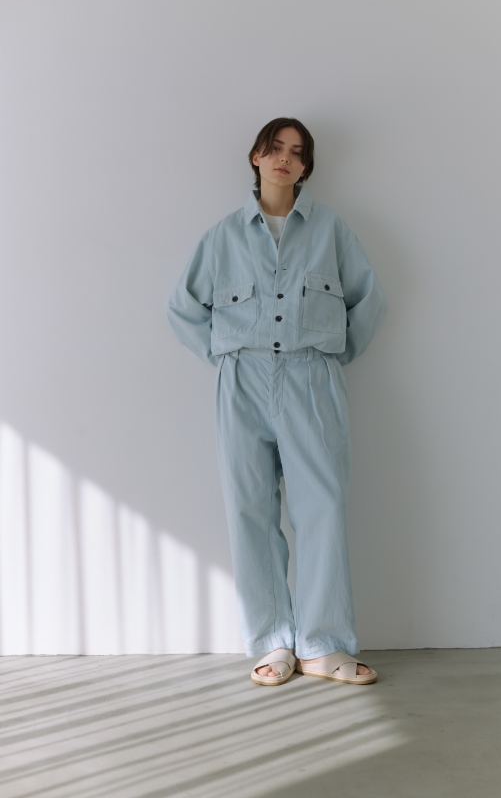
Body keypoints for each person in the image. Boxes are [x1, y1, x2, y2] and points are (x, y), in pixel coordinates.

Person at [168, 118, 386, 686]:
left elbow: (368, 300)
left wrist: (331, 357)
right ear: (257, 157)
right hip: (242, 381)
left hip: (311, 378)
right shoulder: (223, 236)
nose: (284, 158)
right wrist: (227, 358)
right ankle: (272, 643)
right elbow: (183, 308)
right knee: (250, 511)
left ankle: (323, 644)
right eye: (275, 148)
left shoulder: (330, 230)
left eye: (297, 152)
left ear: (306, 167)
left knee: (323, 507)